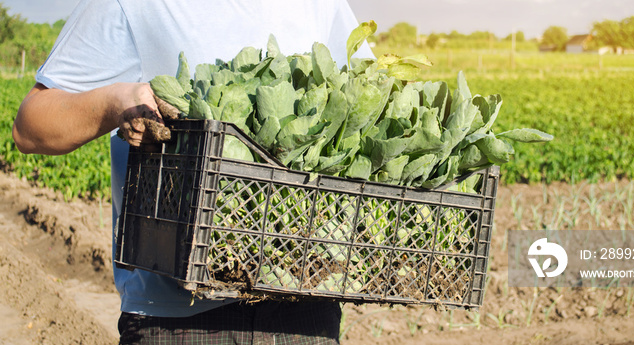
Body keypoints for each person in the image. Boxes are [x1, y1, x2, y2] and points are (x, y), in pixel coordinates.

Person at [12, 0, 373, 344]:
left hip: (305, 308)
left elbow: (369, 103)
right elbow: (32, 124)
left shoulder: (322, 6)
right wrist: (116, 102)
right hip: (178, 318)